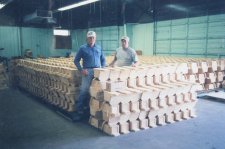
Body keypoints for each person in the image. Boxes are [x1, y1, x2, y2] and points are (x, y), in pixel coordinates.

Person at [73, 31, 106, 121]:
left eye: (93, 38)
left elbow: (103, 59)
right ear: (87, 39)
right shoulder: (82, 48)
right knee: (84, 90)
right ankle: (79, 111)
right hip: (87, 72)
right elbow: (76, 60)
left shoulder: (99, 48)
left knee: (99, 91)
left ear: (95, 38)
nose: (91, 39)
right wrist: (81, 70)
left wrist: (103, 68)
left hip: (98, 71)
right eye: (89, 38)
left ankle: (98, 110)